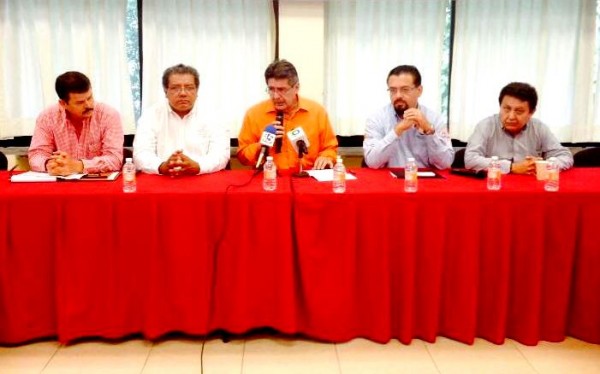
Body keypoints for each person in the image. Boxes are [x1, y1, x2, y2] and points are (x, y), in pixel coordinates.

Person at [237, 59, 338, 171]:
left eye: (281, 90)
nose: (275, 96)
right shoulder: (254, 114)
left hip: (307, 179)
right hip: (269, 180)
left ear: (296, 87)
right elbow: (242, 157)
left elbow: (330, 148)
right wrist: (262, 145)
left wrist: (326, 157)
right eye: (271, 89)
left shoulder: (317, 112)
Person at [133, 64, 230, 175]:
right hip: (163, 179)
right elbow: (141, 153)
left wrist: (199, 166)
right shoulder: (150, 115)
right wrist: (161, 166)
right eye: (175, 88)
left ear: (197, 91)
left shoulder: (214, 115)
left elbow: (221, 154)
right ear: (166, 91)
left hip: (203, 178)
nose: (183, 93)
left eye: (189, 88)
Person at [465, 82, 573, 174]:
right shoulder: (486, 126)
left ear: (531, 112)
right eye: (506, 109)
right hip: (494, 186)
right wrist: (512, 167)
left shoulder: (539, 128)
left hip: (530, 189)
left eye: (519, 111)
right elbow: (470, 160)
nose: (511, 117)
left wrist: (545, 165)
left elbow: (565, 156)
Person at [28, 71, 124, 176]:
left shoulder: (108, 115)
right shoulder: (47, 117)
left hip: (99, 185)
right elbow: (36, 155)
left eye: (90, 98)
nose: (88, 105)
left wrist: (78, 166)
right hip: (61, 184)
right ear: (63, 103)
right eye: (80, 102)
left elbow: (115, 159)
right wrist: (50, 164)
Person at [363, 65, 454, 169]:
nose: (398, 95)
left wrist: (429, 130)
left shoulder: (435, 119)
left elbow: (446, 163)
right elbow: (372, 162)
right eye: (393, 90)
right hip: (388, 181)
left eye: (405, 90)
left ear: (419, 90)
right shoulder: (376, 119)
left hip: (426, 181)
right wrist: (396, 131)